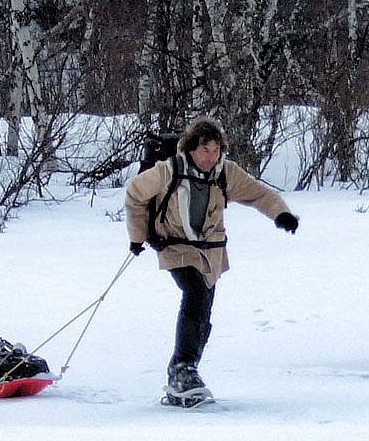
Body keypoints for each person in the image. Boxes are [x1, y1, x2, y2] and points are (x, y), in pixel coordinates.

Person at [124, 117, 298, 406]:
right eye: (205, 149)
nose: (211, 156)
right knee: (194, 294)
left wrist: (281, 214)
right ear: (191, 148)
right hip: (175, 247)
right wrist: (138, 236)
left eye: (216, 149)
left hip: (211, 252)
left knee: (203, 308)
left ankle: (186, 371)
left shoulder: (225, 172)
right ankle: (182, 367)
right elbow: (135, 194)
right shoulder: (168, 171)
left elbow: (259, 194)